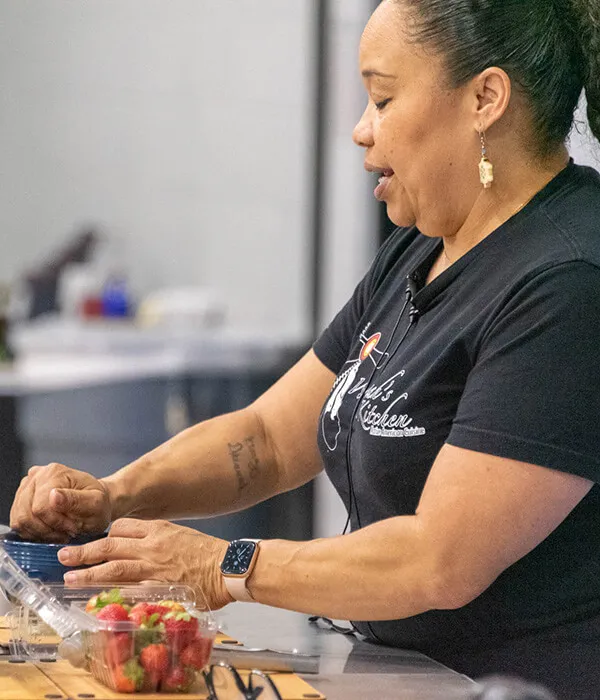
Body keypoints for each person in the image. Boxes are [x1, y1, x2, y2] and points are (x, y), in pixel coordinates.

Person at [9, 0, 600, 697]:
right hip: (398, 673)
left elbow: (439, 558)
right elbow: (265, 439)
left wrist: (226, 564)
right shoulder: (421, 250)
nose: (360, 129)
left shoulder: (568, 283)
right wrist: (110, 496)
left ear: (485, 98)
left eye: (382, 98)